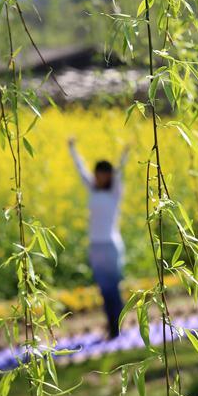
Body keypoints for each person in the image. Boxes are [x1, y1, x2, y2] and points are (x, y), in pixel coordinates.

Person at [68, 137, 130, 338]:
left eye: (103, 174)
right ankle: (112, 326)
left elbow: (120, 170)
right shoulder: (92, 188)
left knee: (113, 289)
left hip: (110, 245)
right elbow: (80, 170)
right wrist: (72, 149)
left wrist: (125, 152)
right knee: (104, 290)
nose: (98, 177)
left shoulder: (114, 192)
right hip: (95, 246)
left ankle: (116, 327)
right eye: (97, 174)